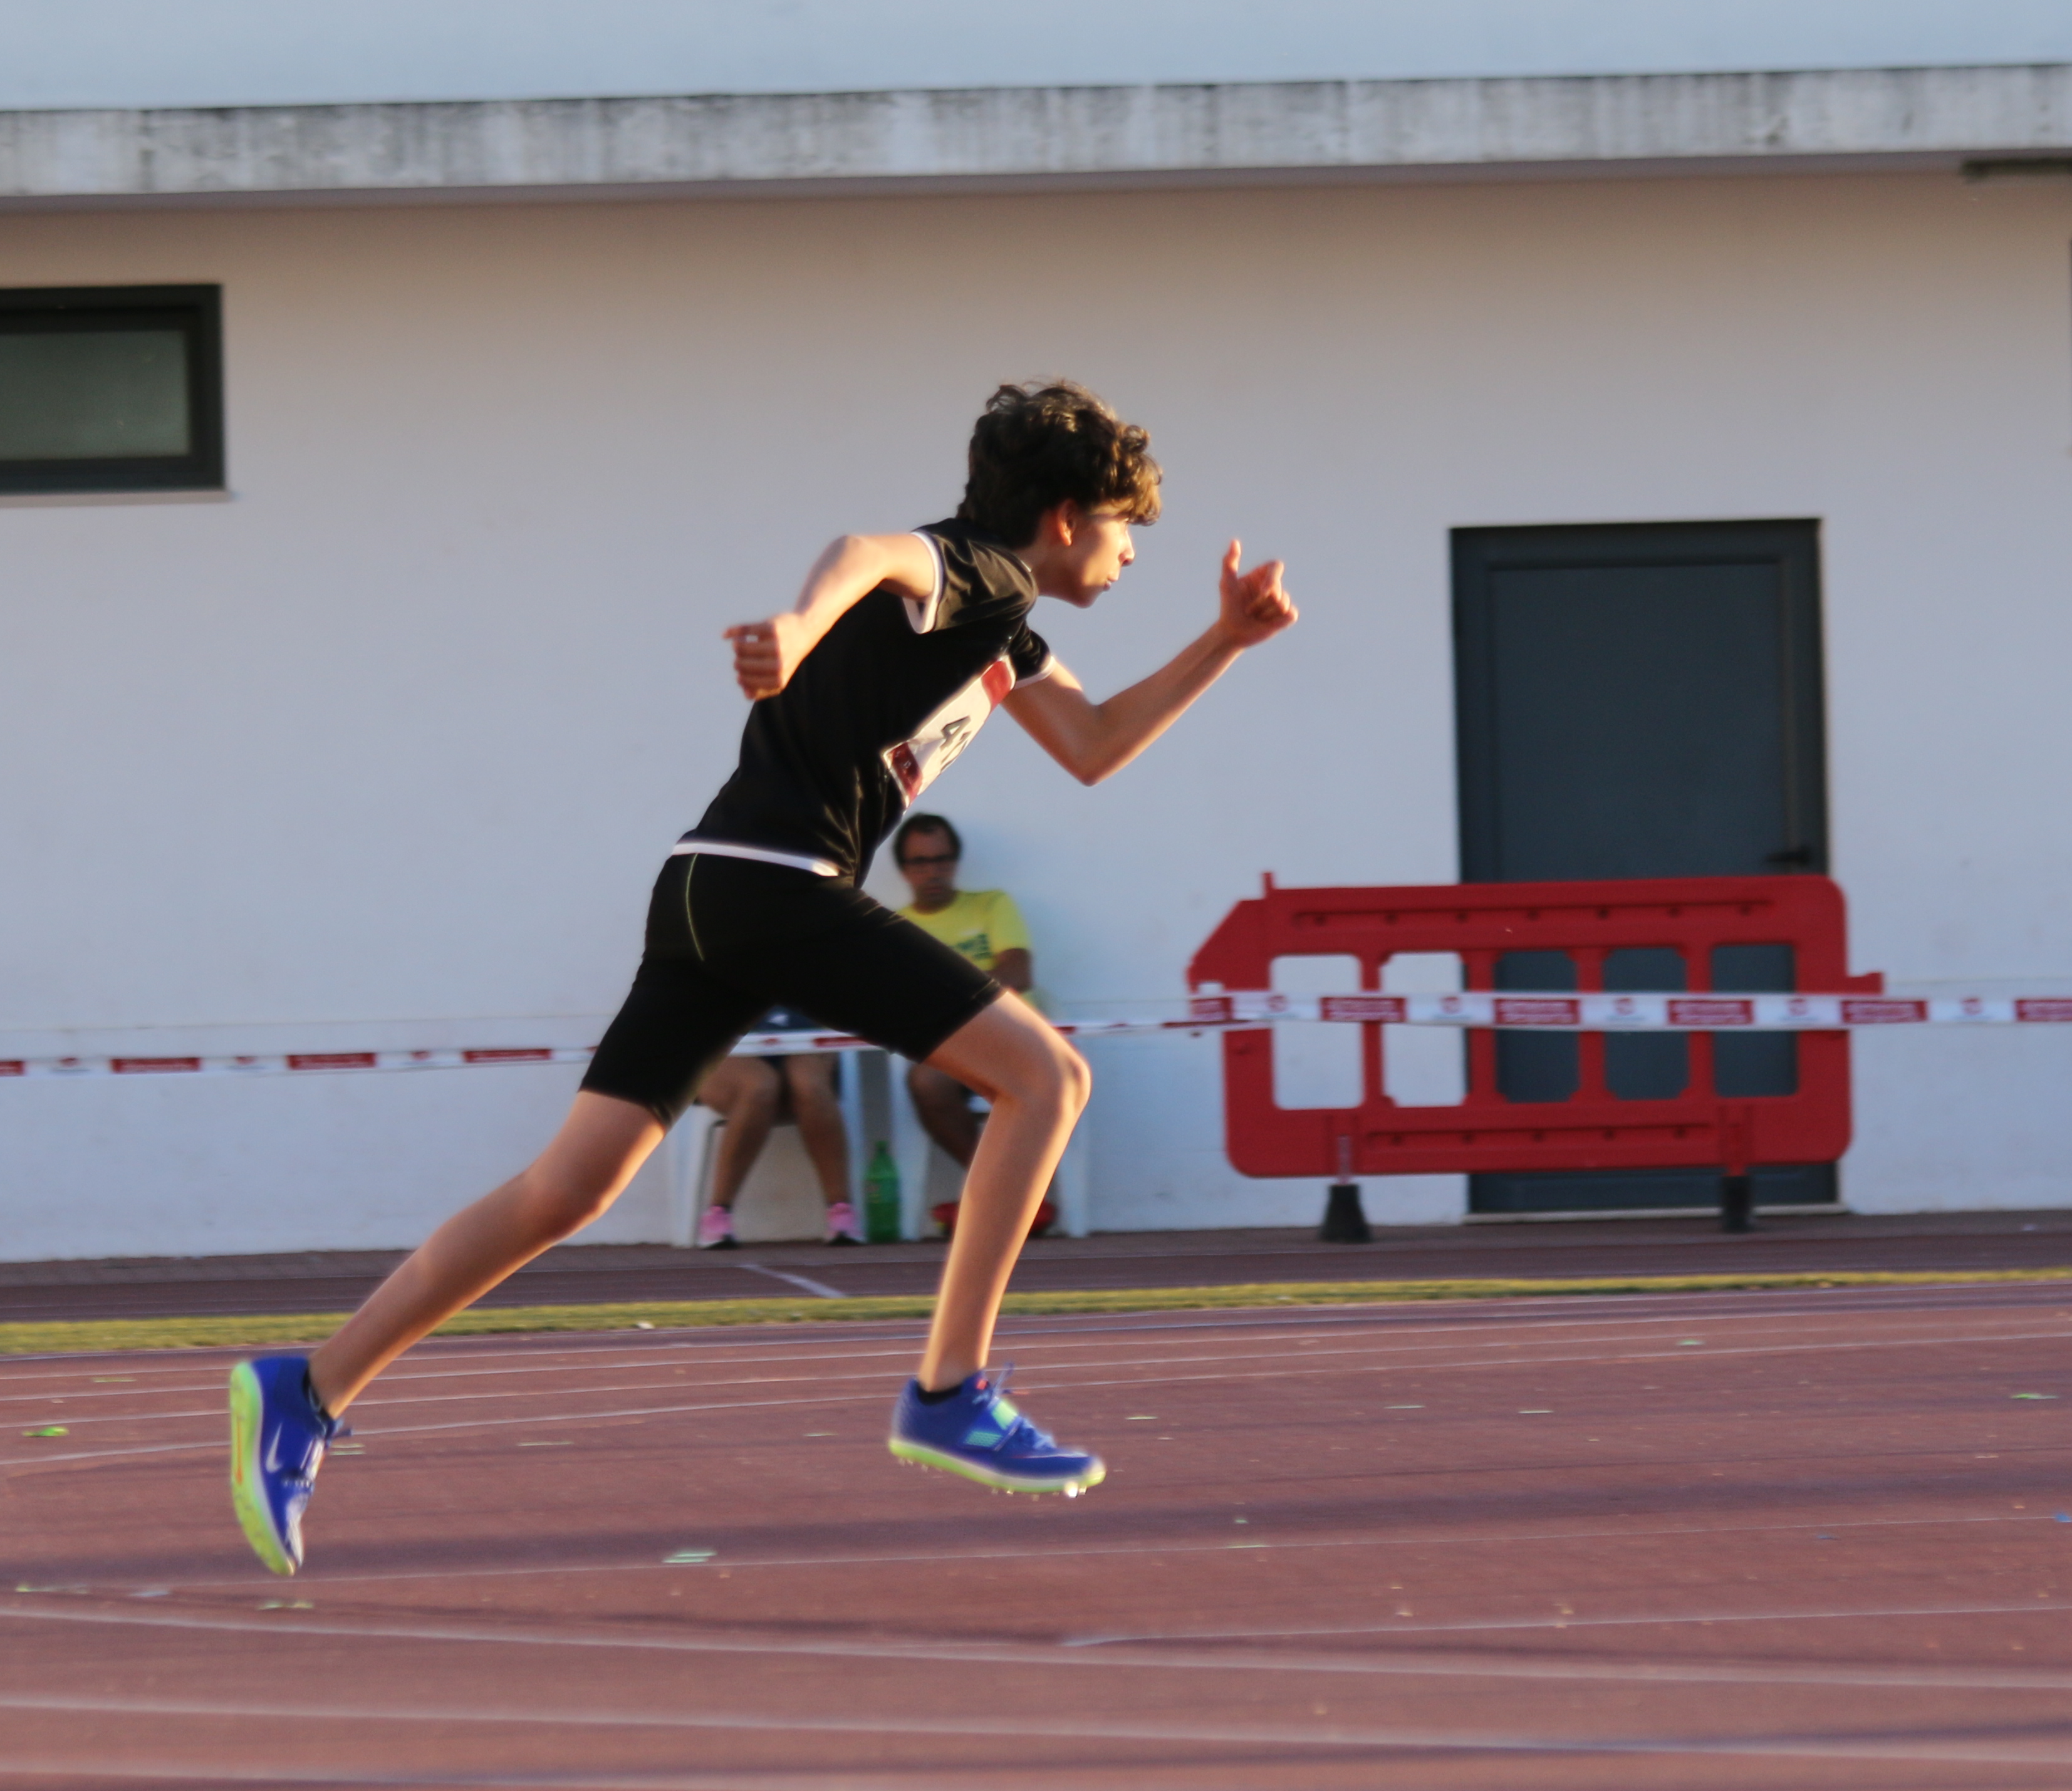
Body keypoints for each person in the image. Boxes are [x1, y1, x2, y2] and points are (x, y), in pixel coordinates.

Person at [229, 380, 1296, 1572]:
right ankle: (950, 1390)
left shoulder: (1006, 631)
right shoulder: (979, 571)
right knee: (1049, 1079)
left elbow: (1093, 746)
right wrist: (797, 625)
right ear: (1060, 517)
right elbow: (870, 550)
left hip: (707, 885)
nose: (1133, 549)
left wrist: (1224, 641)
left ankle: (309, 1385)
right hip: (777, 882)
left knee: (567, 1189)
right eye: (1122, 524)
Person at [888, 812, 1048, 1218]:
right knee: (925, 1082)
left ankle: (1001, 1198)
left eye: (943, 859)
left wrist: (939, 991)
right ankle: (1008, 1195)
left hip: (1012, 1039)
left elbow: (1018, 974)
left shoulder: (993, 903)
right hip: (949, 1048)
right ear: (904, 870)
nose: (933, 870)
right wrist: (974, 986)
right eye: (920, 862)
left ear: (956, 861)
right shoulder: (893, 929)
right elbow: (898, 1001)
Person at [692, 1007, 857, 1249]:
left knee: (808, 1085)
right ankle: (718, 1212)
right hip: (723, 1040)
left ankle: (841, 1210)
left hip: (803, 1030)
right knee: (759, 1087)